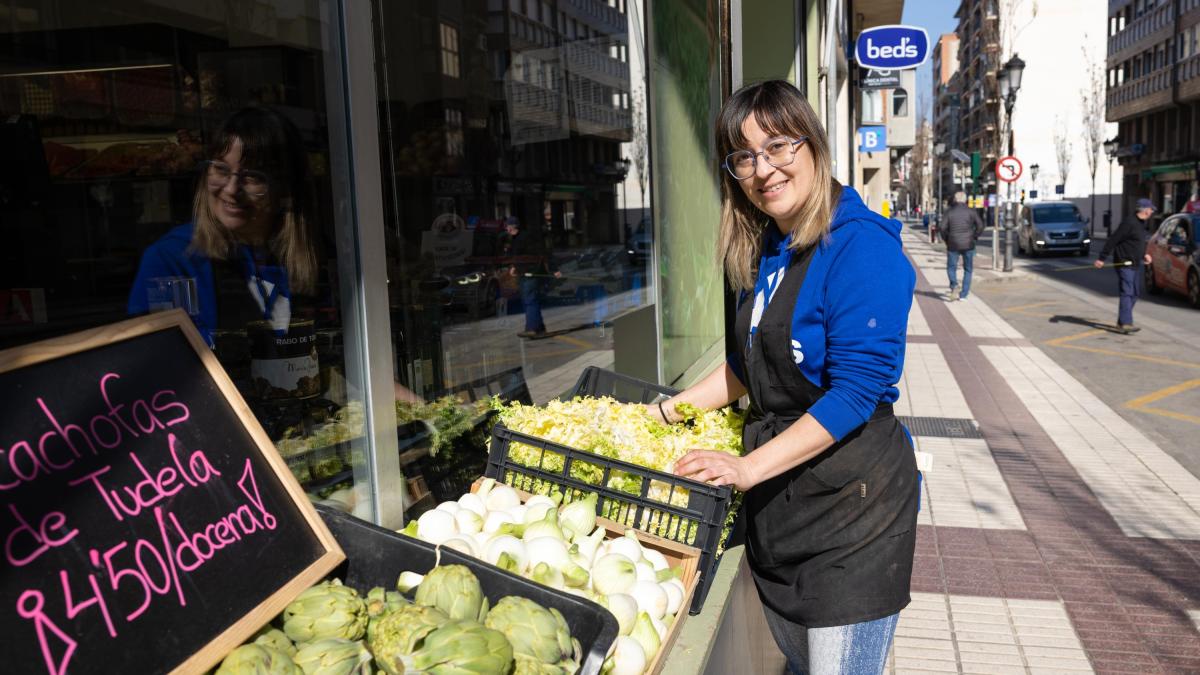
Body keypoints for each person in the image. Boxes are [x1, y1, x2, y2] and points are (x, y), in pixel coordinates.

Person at [650, 80, 918, 675]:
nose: (763, 169)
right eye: (744, 156)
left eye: (777, 147)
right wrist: (666, 413)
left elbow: (856, 391)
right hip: (785, 510)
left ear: (813, 145)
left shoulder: (860, 248)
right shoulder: (770, 247)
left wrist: (745, 469)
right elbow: (749, 369)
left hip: (854, 513)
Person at [128, 106, 319, 346]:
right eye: (221, 169)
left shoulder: (311, 258)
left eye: (252, 176)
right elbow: (158, 362)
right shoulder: (171, 259)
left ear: (286, 187)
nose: (231, 189)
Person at [1094, 198, 1155, 333]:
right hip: (1124, 262)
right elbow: (1114, 239)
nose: (1152, 212)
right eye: (1151, 209)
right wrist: (1102, 258)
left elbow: (1137, 243)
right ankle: (1126, 323)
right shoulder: (1129, 223)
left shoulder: (1141, 223)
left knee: (1135, 293)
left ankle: (1122, 321)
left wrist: (1144, 254)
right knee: (1127, 292)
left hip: (1135, 263)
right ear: (1145, 210)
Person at [502, 216, 560, 338]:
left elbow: (543, 252)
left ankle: (532, 328)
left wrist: (554, 269)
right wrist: (514, 266)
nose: (505, 228)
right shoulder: (514, 239)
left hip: (532, 273)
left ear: (512, 226)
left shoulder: (527, 238)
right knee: (528, 300)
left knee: (530, 300)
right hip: (523, 273)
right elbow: (518, 257)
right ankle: (539, 328)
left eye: (507, 225)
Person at [940, 190, 985, 301]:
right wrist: (974, 237)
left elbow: (942, 228)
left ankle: (954, 285)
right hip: (968, 244)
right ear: (965, 200)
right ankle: (963, 295)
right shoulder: (971, 212)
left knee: (951, 267)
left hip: (953, 244)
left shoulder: (949, 212)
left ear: (955, 199)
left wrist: (947, 239)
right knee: (968, 269)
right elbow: (980, 225)